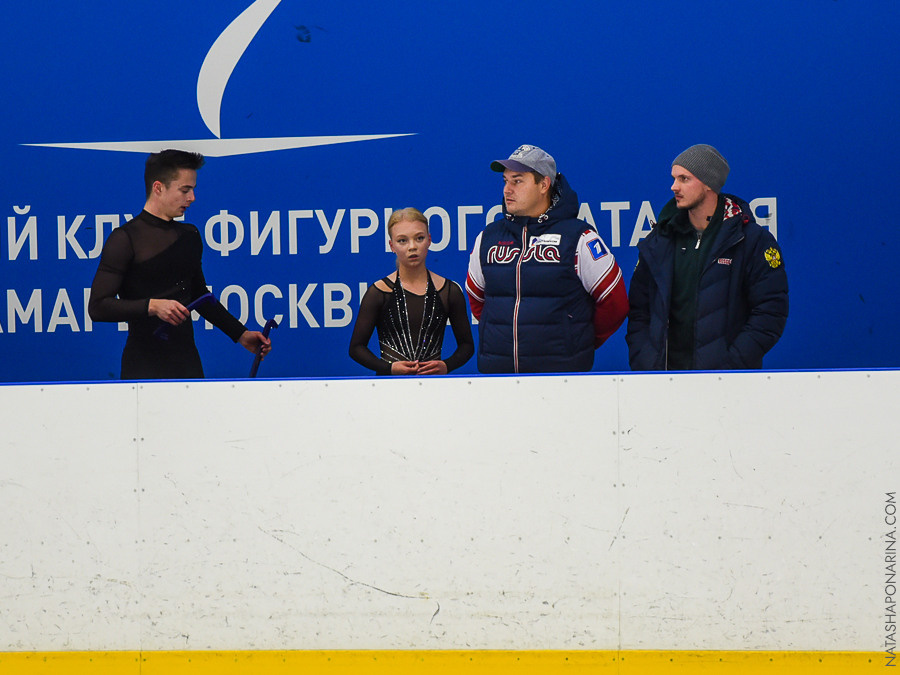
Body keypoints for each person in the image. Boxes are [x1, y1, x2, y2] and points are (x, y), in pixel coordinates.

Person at [88, 149, 271, 379]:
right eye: (185, 190)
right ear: (158, 188)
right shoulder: (125, 238)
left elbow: (200, 296)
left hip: (187, 364)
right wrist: (152, 306)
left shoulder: (190, 235)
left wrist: (241, 334)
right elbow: (97, 307)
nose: (192, 197)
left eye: (193, 189)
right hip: (142, 366)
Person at [465, 144, 628, 373]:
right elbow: (477, 298)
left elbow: (615, 303)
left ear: (544, 185)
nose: (507, 190)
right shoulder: (488, 238)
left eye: (518, 181)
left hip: (561, 379)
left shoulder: (579, 238)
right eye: (505, 181)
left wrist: (577, 340)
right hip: (498, 378)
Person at [626, 144, 788, 370]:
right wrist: (645, 360)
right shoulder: (660, 240)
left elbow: (770, 312)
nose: (674, 187)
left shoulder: (750, 240)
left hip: (728, 385)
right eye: (674, 178)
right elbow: (639, 309)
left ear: (709, 184)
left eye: (684, 179)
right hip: (663, 382)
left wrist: (731, 364)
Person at [349, 207, 474, 375]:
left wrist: (446, 365)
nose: (412, 247)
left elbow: (467, 345)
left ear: (429, 240)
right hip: (389, 388)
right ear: (392, 246)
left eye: (419, 238)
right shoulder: (378, 292)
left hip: (433, 386)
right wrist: (389, 368)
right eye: (402, 241)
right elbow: (356, 348)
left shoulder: (449, 291)